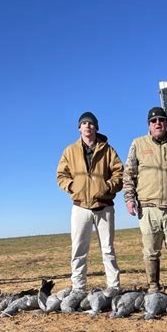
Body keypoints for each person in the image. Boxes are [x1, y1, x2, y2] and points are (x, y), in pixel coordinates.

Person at [123, 107, 167, 293]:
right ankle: (153, 286)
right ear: (149, 125)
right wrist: (129, 199)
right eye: (153, 121)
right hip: (148, 208)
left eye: (161, 120)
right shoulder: (138, 144)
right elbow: (129, 175)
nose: (158, 124)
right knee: (151, 251)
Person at [57, 111, 123, 292]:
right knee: (78, 250)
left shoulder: (108, 150)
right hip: (80, 207)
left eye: (91, 123)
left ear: (96, 127)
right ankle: (78, 289)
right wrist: (72, 187)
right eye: (84, 123)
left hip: (104, 206)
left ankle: (114, 287)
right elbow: (61, 175)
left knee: (108, 250)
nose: (88, 126)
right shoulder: (69, 151)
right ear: (79, 128)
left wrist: (108, 187)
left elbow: (119, 173)